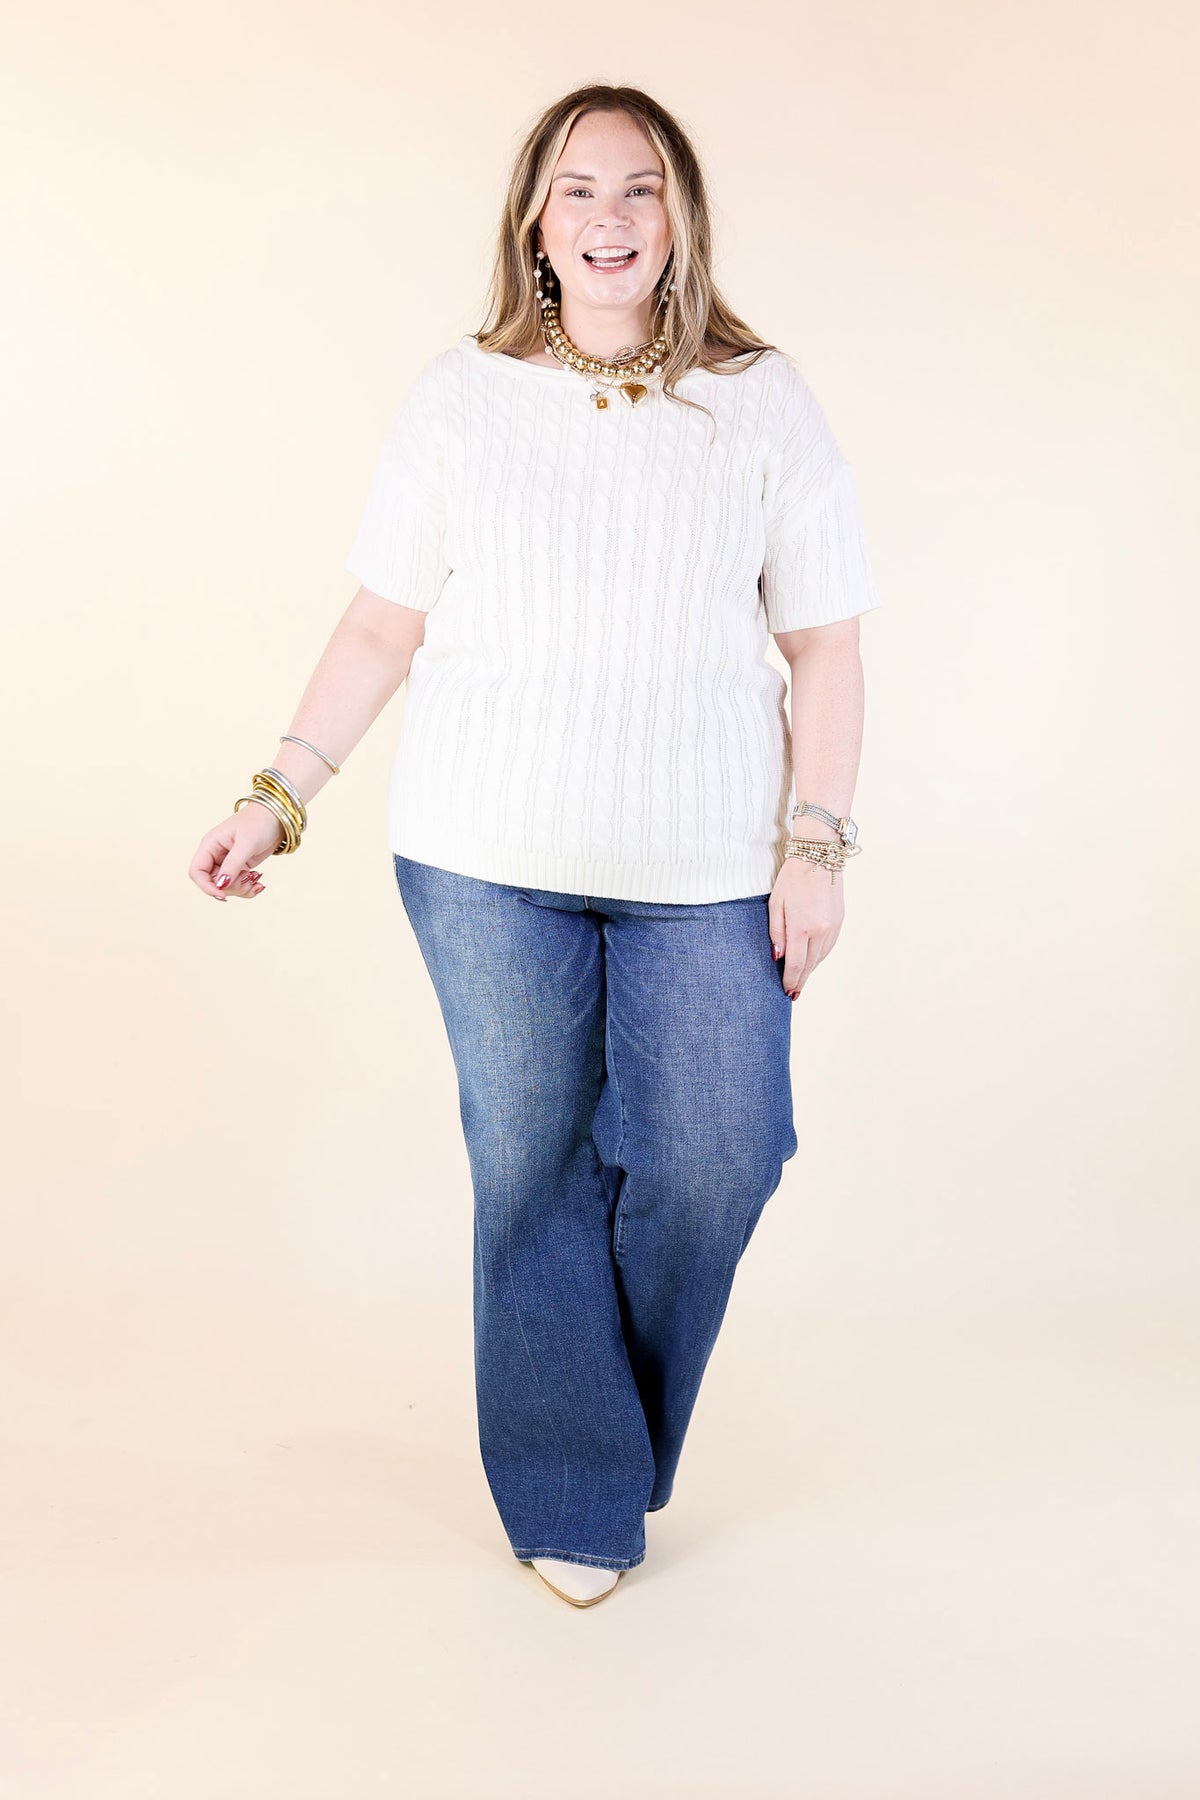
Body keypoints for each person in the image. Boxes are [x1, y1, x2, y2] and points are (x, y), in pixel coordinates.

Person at [188, 83, 882, 1610]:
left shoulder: (761, 399)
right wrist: (279, 792)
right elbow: (382, 623)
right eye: (579, 191)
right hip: (483, 851)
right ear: (535, 223)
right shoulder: (460, 396)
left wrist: (815, 845)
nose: (610, 219)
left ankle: (594, 1430)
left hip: (706, 859)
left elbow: (825, 642)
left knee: (718, 1153)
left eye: (641, 189)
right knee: (534, 1163)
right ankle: (574, 1485)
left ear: (681, 216)